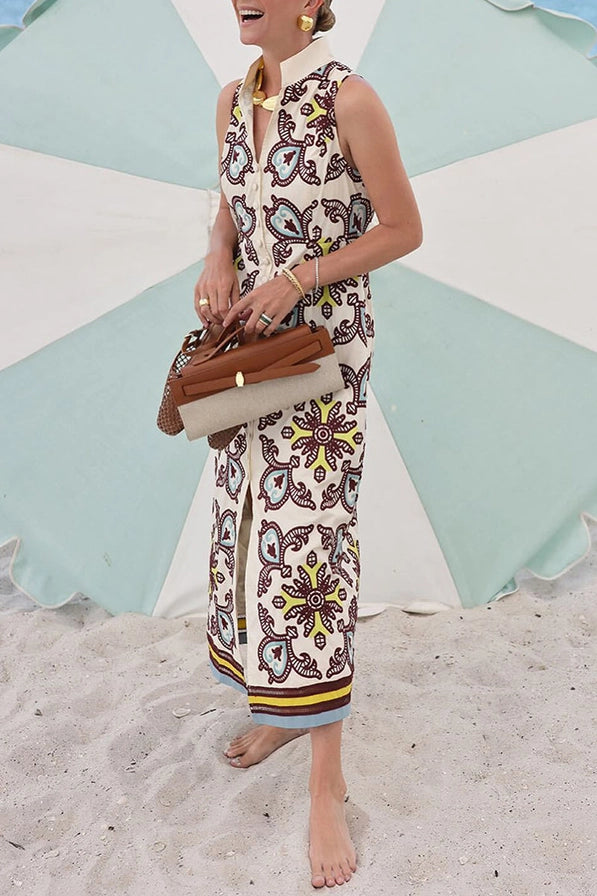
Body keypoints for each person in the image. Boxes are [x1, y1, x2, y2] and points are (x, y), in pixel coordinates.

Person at [194, 0, 422, 888]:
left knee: (310, 545)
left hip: (323, 356)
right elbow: (228, 205)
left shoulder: (350, 100)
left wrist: (302, 274)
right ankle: (283, 708)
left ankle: (326, 782)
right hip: (248, 349)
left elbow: (402, 229)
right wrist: (217, 256)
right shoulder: (230, 97)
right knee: (251, 531)